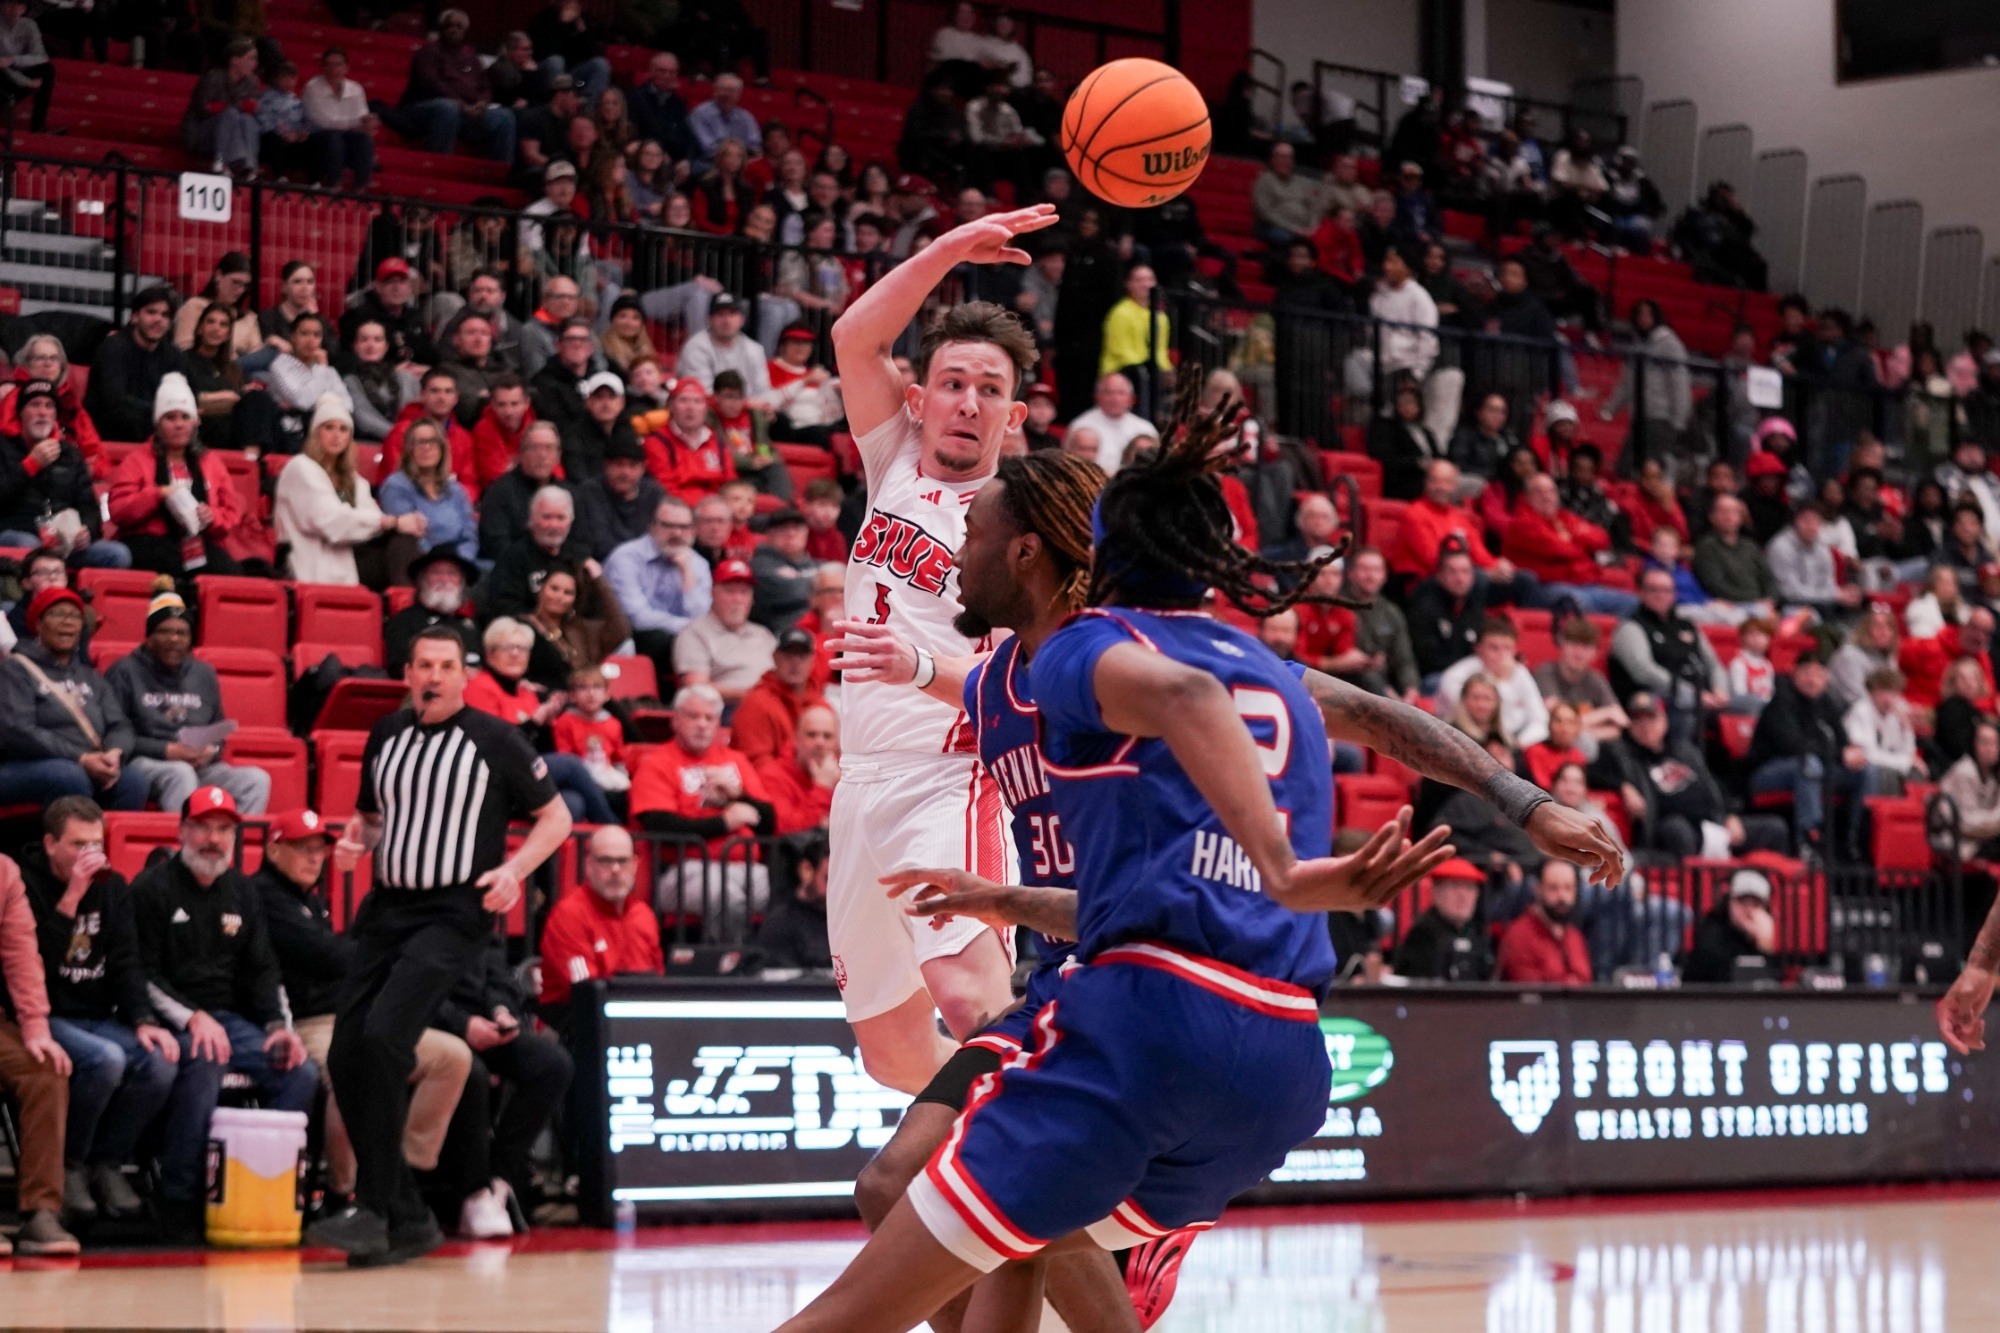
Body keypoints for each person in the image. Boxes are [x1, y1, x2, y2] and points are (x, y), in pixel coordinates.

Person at [788, 392, 1621, 1333]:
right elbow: (1105, 868)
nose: (951, 555)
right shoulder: (999, 682)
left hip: (1132, 1010)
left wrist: (1516, 801)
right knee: (900, 1182)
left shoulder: (1110, 658)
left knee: (1009, 1235)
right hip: (1110, 987)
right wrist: (993, 890)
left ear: (1029, 550)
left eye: (970, 530)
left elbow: (1373, 716)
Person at [310, 627, 571, 1267]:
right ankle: (406, 1216)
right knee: (346, 1052)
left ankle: (374, 1207)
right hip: (388, 908)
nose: (433, 675)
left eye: (445, 666)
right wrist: (354, 844)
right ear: (408, 672)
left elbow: (557, 818)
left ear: (462, 675)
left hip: (454, 912)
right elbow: (373, 819)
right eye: (423, 663)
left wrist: (514, 871)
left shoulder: (496, 738)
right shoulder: (385, 734)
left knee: (384, 1038)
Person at [253, 808, 471, 1225]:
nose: (314, 858)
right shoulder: (264, 895)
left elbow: (341, 960)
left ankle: (401, 1176)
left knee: (453, 1057)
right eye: (302, 848)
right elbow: (331, 957)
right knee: (353, 1069)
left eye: (319, 849)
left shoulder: (310, 902)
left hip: (352, 1014)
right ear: (273, 848)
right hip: (306, 1022)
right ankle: (345, 1191)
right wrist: (379, 956)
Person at [133, 788, 316, 1242]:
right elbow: (139, 974)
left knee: (300, 1072)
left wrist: (279, 1028)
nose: (213, 839)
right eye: (203, 827)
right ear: (181, 831)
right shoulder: (152, 888)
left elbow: (263, 969)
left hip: (233, 1020)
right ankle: (180, 1196)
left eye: (224, 829)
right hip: (172, 1018)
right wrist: (193, 1017)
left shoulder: (243, 891)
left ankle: (269, 1189)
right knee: (208, 1057)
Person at [22, 797, 175, 1232]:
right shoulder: (26, 885)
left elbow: (127, 962)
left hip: (99, 1014)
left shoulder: (114, 888)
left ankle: (107, 1164)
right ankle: (68, 1165)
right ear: (50, 844)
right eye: (77, 845)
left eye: (97, 844)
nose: (90, 855)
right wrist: (71, 897)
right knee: (105, 1061)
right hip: (45, 1014)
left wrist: (144, 1020)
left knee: (160, 1061)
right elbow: (32, 965)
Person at [106, 585, 271, 816]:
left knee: (256, 779)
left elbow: (218, 733)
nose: (174, 639)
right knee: (180, 772)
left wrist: (210, 751)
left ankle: (237, 850)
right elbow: (114, 733)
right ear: (150, 636)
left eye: (182, 633)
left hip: (198, 765)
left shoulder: (204, 674)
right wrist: (167, 750)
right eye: (165, 631)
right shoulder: (124, 671)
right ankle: (184, 849)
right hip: (144, 763)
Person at [630, 683, 775, 934]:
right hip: (685, 871)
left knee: (792, 892)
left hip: (746, 868)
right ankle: (734, 967)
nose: (702, 724)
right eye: (693, 716)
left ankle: (782, 967)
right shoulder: (657, 763)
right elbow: (659, 824)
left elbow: (769, 820)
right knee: (724, 896)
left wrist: (737, 796)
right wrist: (725, 822)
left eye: (709, 718)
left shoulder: (735, 760)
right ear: (675, 720)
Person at [0, 846, 81, 1255]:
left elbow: (21, 955)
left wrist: (35, 1027)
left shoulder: (4, 872)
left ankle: (40, 1213)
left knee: (46, 1067)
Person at [0, 586, 145, 810]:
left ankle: (108, 845)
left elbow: (120, 724)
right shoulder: (16, 669)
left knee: (132, 780)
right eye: (58, 614)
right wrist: (81, 758)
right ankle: (69, 843)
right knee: (69, 776)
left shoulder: (89, 675)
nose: (67, 622)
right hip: (24, 765)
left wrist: (115, 753)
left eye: (75, 617)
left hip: (85, 762)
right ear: (38, 625)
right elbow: (18, 729)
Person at [1748, 649, 1878, 861]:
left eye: (1819, 674)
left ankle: (1855, 839)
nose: (1813, 680)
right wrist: (1838, 755)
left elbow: (1841, 742)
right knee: (1808, 765)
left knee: (1867, 771)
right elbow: (1791, 745)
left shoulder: (1826, 704)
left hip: (1817, 767)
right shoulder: (1781, 700)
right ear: (1795, 674)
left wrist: (1850, 753)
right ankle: (1809, 840)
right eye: (1807, 673)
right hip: (1768, 771)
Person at [536, 825, 661, 1029]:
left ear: (635, 864)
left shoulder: (643, 915)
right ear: (588, 865)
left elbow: (657, 981)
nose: (615, 870)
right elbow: (585, 990)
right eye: (605, 860)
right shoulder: (569, 914)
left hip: (634, 1018)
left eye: (623, 860)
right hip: (574, 1021)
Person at [0, 379, 130, 569]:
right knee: (31, 548)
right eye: (34, 405)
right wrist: (29, 466)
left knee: (117, 554)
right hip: (18, 534)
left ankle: (76, 599)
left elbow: (89, 507)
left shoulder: (70, 454)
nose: (42, 412)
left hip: (65, 544)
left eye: (49, 406)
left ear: (56, 415)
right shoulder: (3, 447)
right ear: (20, 413)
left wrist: (87, 531)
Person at [1610, 567, 1730, 742]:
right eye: (1653, 589)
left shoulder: (1688, 626)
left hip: (1704, 694)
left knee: (1754, 705)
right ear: (1641, 592)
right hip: (1659, 697)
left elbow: (1713, 664)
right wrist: (1693, 695)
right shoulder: (1631, 628)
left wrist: (1721, 690)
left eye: (1666, 590)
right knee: (1684, 712)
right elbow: (1644, 672)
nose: (1661, 595)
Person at [603, 494, 711, 689]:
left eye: (684, 527)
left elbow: (702, 616)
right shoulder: (626, 557)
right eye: (668, 526)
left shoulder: (697, 564)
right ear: (652, 526)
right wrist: (690, 628)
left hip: (681, 636)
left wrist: (687, 574)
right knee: (664, 640)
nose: (677, 533)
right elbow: (637, 617)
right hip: (629, 636)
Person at [1501, 474, 1639, 616]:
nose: (1546, 496)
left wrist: (1572, 537)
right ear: (1527, 497)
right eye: (1539, 492)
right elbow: (1559, 549)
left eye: (1551, 491)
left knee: (1633, 603)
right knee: (1579, 602)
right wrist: (1580, 542)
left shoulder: (1564, 517)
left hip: (1584, 584)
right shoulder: (1522, 523)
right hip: (1546, 586)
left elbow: (1602, 539)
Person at [392, 9, 517, 164]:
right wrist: (461, 105)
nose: (454, 29)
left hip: (466, 112)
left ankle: (499, 172)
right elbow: (431, 84)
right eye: (449, 25)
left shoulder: (471, 58)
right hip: (425, 108)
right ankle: (439, 165)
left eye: (459, 26)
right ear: (441, 28)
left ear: (465, 31)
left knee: (505, 116)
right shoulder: (428, 52)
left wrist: (482, 103)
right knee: (447, 107)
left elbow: (485, 87)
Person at [673, 557, 776, 705]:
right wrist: (750, 695)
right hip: (724, 708)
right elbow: (696, 686)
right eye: (730, 591)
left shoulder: (763, 634)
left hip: (771, 705)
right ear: (712, 593)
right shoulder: (694, 633)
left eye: (744, 592)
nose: (738, 599)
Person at [84, 287, 180, 445]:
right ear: (134, 317)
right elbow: (116, 403)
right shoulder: (112, 348)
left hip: (156, 440)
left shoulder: (174, 356)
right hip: (108, 440)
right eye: (151, 312)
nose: (158, 319)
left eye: (165, 315)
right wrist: (163, 410)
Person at [1437, 616, 1550, 746]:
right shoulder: (1455, 677)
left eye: (1507, 648)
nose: (1501, 655)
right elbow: (1480, 716)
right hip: (1460, 740)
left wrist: (1520, 744)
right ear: (1479, 649)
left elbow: (1540, 720)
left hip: (1508, 743)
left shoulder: (1519, 672)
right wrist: (1501, 680)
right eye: (1494, 648)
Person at [1389, 858, 1493, 981]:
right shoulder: (1423, 934)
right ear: (1436, 892)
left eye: (1469, 887)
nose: (1462, 895)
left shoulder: (1477, 933)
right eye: (1455, 886)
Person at [1531, 617, 1628, 744]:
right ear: (1562, 644)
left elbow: (1619, 724)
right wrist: (1606, 713)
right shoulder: (1545, 673)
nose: (1579, 653)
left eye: (1586, 647)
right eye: (1574, 644)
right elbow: (1559, 721)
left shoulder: (1596, 679)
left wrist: (1584, 733)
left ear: (1595, 652)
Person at [385, 547, 481, 675]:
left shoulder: (471, 627)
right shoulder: (403, 622)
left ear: (461, 583)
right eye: (436, 573)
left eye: (452, 573)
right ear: (422, 580)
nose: (444, 579)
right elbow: (398, 668)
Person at [1494, 861, 1592, 984]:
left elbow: (1586, 981)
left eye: (1568, 888)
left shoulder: (1575, 937)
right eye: (1553, 888)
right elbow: (1528, 986)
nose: (1562, 896)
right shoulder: (1519, 935)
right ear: (1538, 889)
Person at [1767, 504, 1863, 622]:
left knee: (1858, 606)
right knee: (1818, 614)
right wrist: (1834, 595)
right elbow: (1790, 592)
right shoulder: (1781, 547)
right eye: (1807, 521)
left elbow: (1828, 583)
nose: (1812, 527)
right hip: (1787, 603)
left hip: (1820, 602)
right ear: (1796, 521)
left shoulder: (1821, 548)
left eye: (1816, 522)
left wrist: (1843, 593)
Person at [182, 37, 262, 175]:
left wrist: (252, 107)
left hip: (233, 129)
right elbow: (203, 109)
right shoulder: (213, 77)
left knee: (248, 120)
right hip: (203, 130)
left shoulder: (251, 82)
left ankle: (249, 165)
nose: (255, 64)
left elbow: (250, 108)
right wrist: (237, 106)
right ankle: (220, 161)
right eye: (251, 58)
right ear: (235, 60)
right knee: (231, 114)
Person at [1682, 870, 1778, 984]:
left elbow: (1775, 980)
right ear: (1729, 902)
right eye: (1743, 902)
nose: (1749, 910)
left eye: (1755, 904)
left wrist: (1765, 946)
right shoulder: (1712, 929)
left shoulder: (1767, 934)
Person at [302, 47, 377, 190]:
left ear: (346, 67)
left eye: (338, 64)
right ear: (323, 67)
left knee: (363, 140)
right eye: (329, 64)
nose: (333, 69)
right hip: (318, 137)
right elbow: (322, 122)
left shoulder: (355, 88)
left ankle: (361, 186)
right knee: (333, 138)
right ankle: (334, 184)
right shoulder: (313, 88)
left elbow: (362, 117)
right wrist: (354, 124)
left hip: (346, 135)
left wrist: (368, 122)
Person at [1066, 372, 1159, 477]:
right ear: (1097, 396)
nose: (1115, 398)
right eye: (1108, 393)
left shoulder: (1145, 428)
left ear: (1132, 399)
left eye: (1121, 393)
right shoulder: (1080, 425)